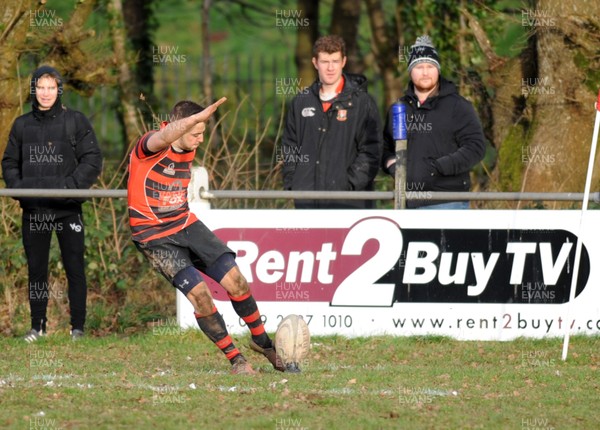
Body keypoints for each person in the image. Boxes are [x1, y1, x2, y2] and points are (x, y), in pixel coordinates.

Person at [127, 99, 285, 375]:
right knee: (200, 296)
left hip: (185, 223)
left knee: (237, 282)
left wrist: (195, 126)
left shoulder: (188, 144)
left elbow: (184, 136)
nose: (200, 140)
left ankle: (261, 341)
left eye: (202, 133)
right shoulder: (151, 146)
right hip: (153, 236)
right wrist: (189, 121)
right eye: (195, 133)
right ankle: (237, 359)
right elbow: (164, 136)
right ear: (180, 128)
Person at [2, 65, 103, 341]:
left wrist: (69, 188)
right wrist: (22, 190)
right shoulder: (22, 124)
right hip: (34, 211)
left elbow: (92, 159)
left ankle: (78, 329)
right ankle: (38, 327)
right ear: (34, 90)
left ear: (59, 89)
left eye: (51, 87)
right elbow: (9, 163)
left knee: (75, 268)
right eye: (40, 87)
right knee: (36, 269)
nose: (46, 93)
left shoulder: (76, 121)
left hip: (68, 209)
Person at [382, 35, 486, 209]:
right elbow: (384, 146)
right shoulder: (399, 108)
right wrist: (392, 164)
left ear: (438, 69)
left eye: (430, 66)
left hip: (447, 201)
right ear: (410, 71)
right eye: (419, 67)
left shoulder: (458, 106)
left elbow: (476, 147)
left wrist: (438, 167)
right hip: (407, 203)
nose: (425, 72)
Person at [281, 35, 382, 209]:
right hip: (307, 202)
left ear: (343, 62)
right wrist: (294, 182)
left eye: (335, 61)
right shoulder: (301, 102)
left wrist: (348, 185)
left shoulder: (362, 103)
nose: (330, 68)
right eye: (325, 61)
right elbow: (290, 145)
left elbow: (372, 150)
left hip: (349, 204)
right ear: (315, 63)